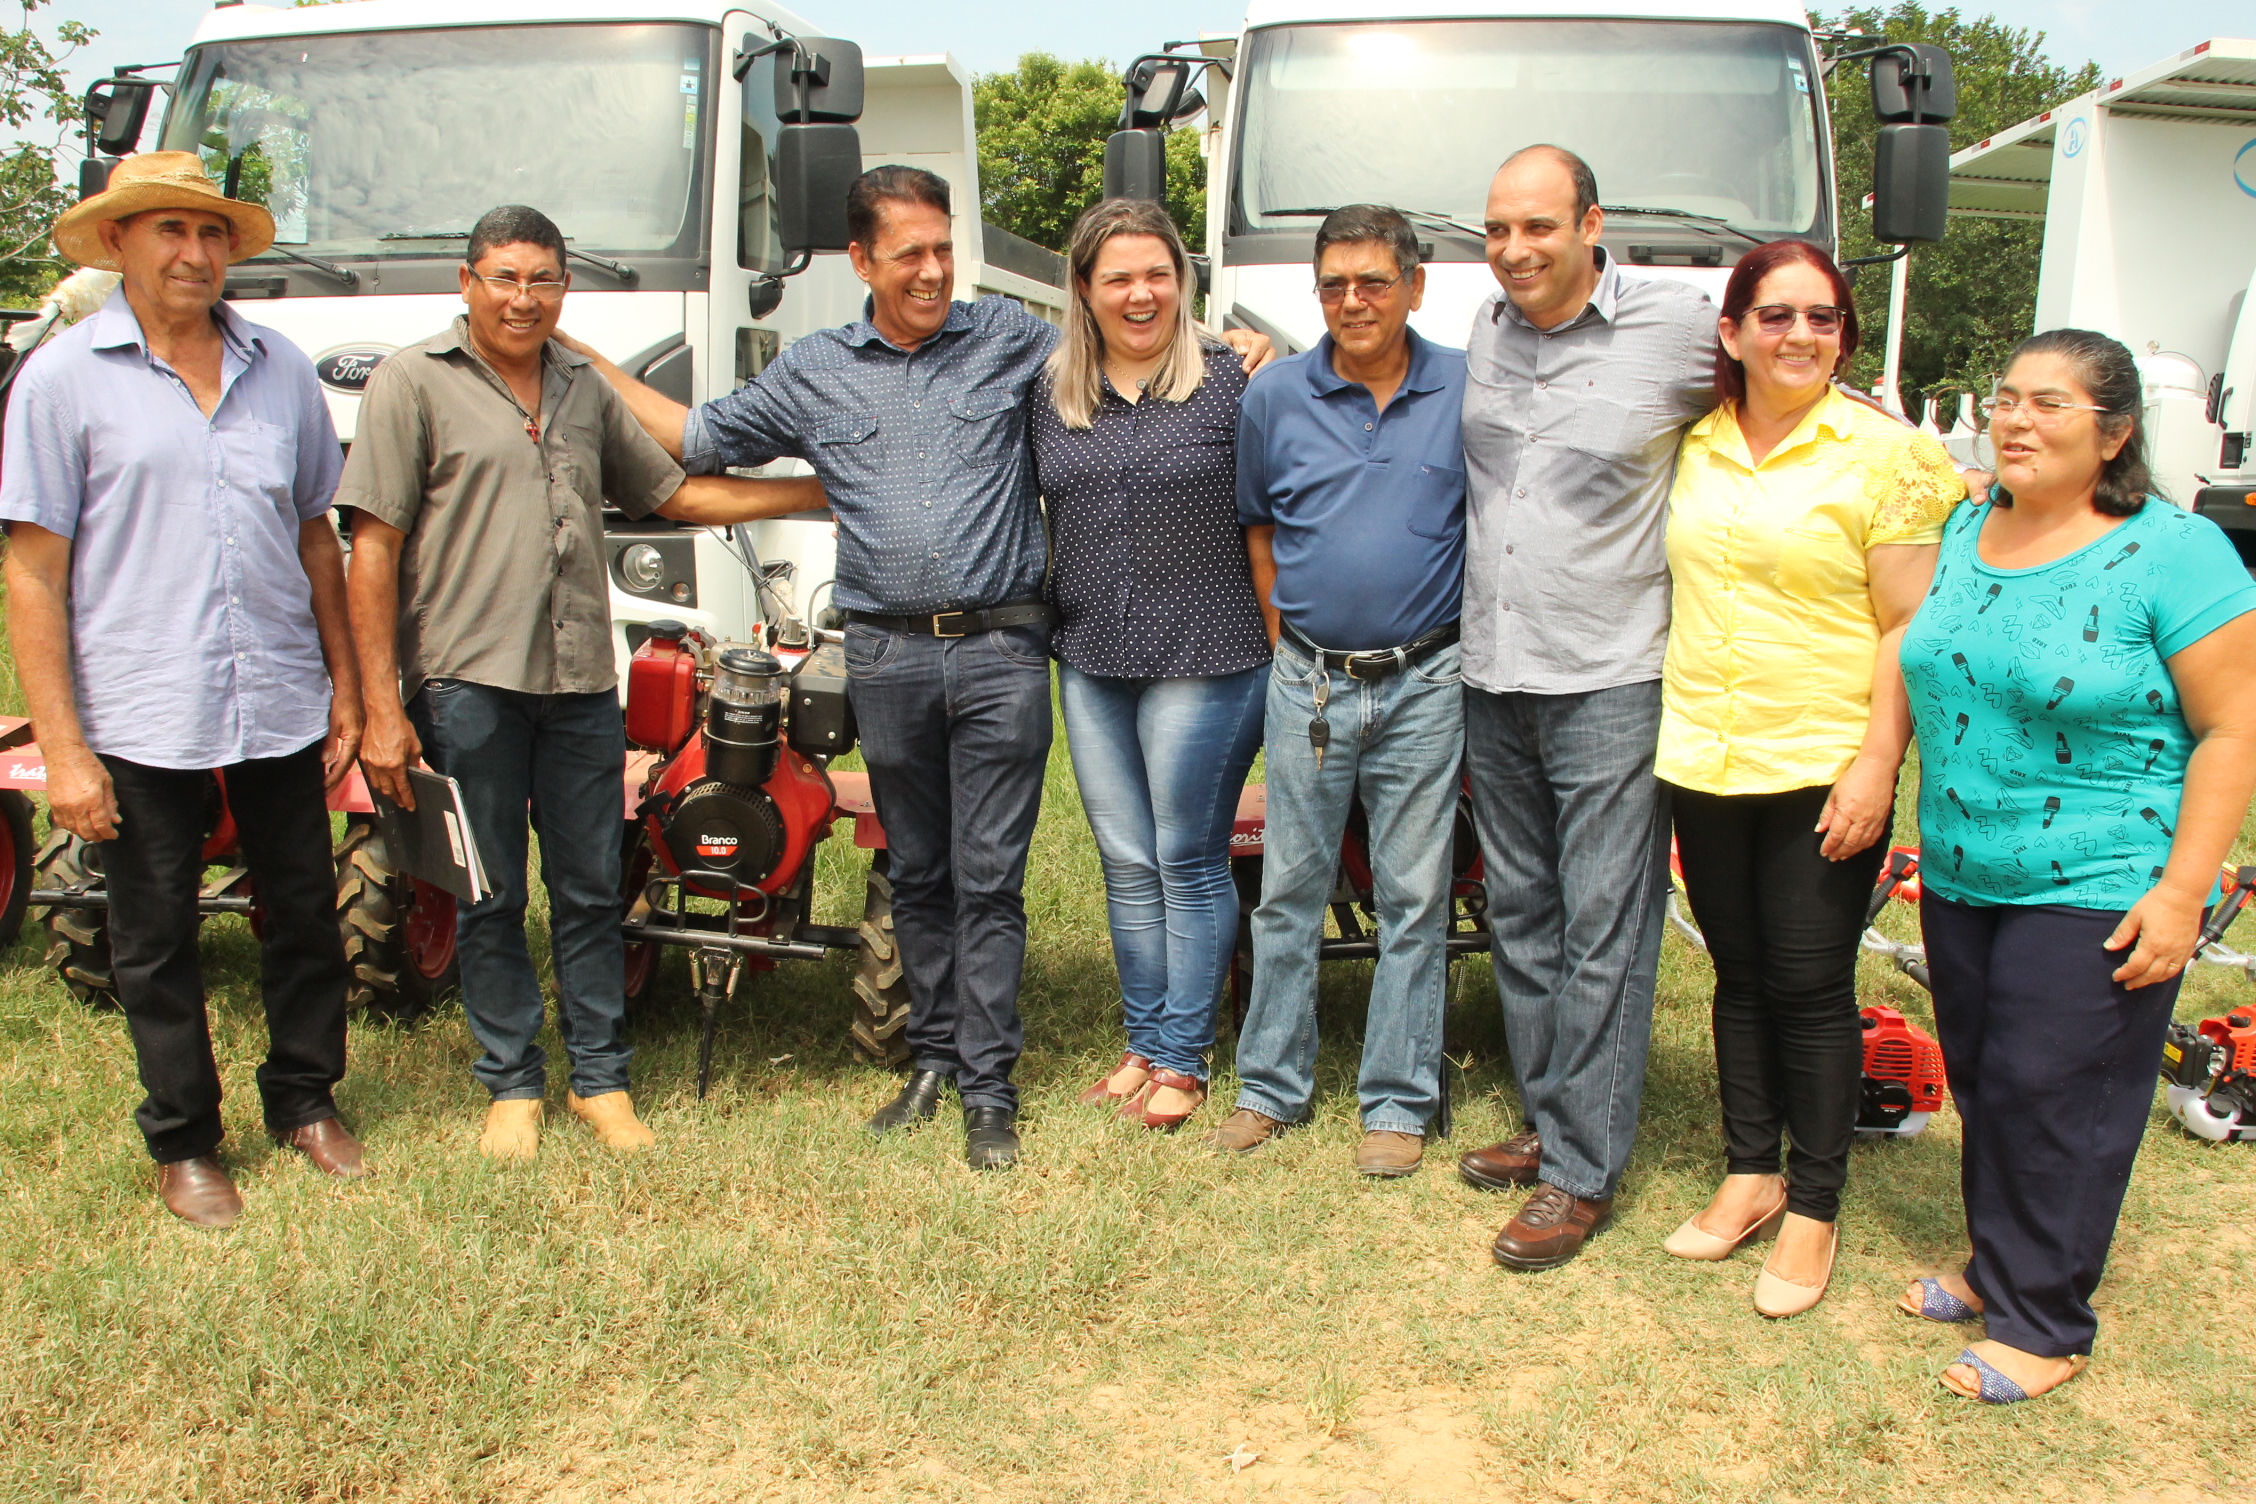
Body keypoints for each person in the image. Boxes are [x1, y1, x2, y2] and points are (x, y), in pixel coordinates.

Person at [572, 166, 1271, 1170]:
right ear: (861, 261)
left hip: (1000, 650)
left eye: (945, 250)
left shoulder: (1012, 339)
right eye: (910, 254)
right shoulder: (816, 368)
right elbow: (693, 434)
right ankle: (934, 1061)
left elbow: (1128, 328)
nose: (934, 271)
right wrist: (576, 354)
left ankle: (991, 1086)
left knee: (991, 879)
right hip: (887, 654)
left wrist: (1233, 343)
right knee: (919, 871)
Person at [341, 204, 820, 1161]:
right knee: (489, 892)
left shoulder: (583, 387)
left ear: (564, 289)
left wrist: (822, 488)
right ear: (468, 283)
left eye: (543, 280)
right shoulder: (412, 381)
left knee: (593, 888)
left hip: (578, 684)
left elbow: (675, 494)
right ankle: (511, 1085)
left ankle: (601, 1080)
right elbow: (373, 549)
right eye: (505, 278)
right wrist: (380, 708)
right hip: (465, 680)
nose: (524, 298)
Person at [0, 153, 369, 1226]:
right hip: (137, 704)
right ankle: (185, 1140)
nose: (194, 253)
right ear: (118, 242)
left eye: (211, 234)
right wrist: (64, 750)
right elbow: (33, 573)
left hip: (279, 694)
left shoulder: (280, 368)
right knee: (154, 934)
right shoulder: (62, 380)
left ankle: (305, 1099)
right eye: (169, 230)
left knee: (303, 911)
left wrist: (348, 687)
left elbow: (316, 536)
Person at [1898, 329, 2256, 1403]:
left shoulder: (2177, 551)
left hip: (2105, 871)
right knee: (1987, 1078)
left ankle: (2046, 1324)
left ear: (2115, 432)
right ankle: (1996, 1266)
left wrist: (2182, 893)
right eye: (2007, 397)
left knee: (2057, 1091)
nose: (2016, 419)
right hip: (1965, 866)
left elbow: (2232, 727)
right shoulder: (1967, 526)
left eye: (2050, 403)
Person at [1654, 242, 1960, 1316]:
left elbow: (1909, 624)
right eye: (1775, 315)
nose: (1799, 335)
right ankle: (1752, 1173)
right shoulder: (1692, 443)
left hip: (1824, 761)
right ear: (1732, 332)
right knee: (1739, 974)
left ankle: (1815, 1205)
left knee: (1809, 982)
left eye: (1822, 318)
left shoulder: (1890, 457)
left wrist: (1877, 765)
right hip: (1704, 750)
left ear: (1844, 337)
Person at [1453, 145, 1717, 1267]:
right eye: (1497, 229)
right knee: (1521, 914)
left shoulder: (1679, 328)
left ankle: (1580, 1172)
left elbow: (1795, 383)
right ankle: (1551, 1117)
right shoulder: (1486, 327)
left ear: (1592, 225)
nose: (1515, 249)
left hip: (1611, 675)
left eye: (1538, 226)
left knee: (1606, 927)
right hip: (1493, 669)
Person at [1206, 204, 1468, 1178]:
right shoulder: (1274, 397)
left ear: (1414, 286)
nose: (1353, 301)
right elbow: (1260, 532)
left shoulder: (1465, 387)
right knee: (1289, 892)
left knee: (1414, 897)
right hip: (1309, 680)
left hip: (1427, 679)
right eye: (1333, 285)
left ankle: (1396, 1101)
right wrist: (1291, 648)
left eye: (1373, 281)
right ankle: (1269, 1087)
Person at [1036, 200, 1270, 1132]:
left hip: (1208, 653)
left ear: (1183, 280)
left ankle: (1183, 1056)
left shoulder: (1234, 381)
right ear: (1084, 290)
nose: (1141, 294)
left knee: (1186, 856)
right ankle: (1143, 1045)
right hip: (1092, 654)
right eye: (1119, 278)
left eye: (1158, 274)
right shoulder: (1051, 393)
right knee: (1126, 861)